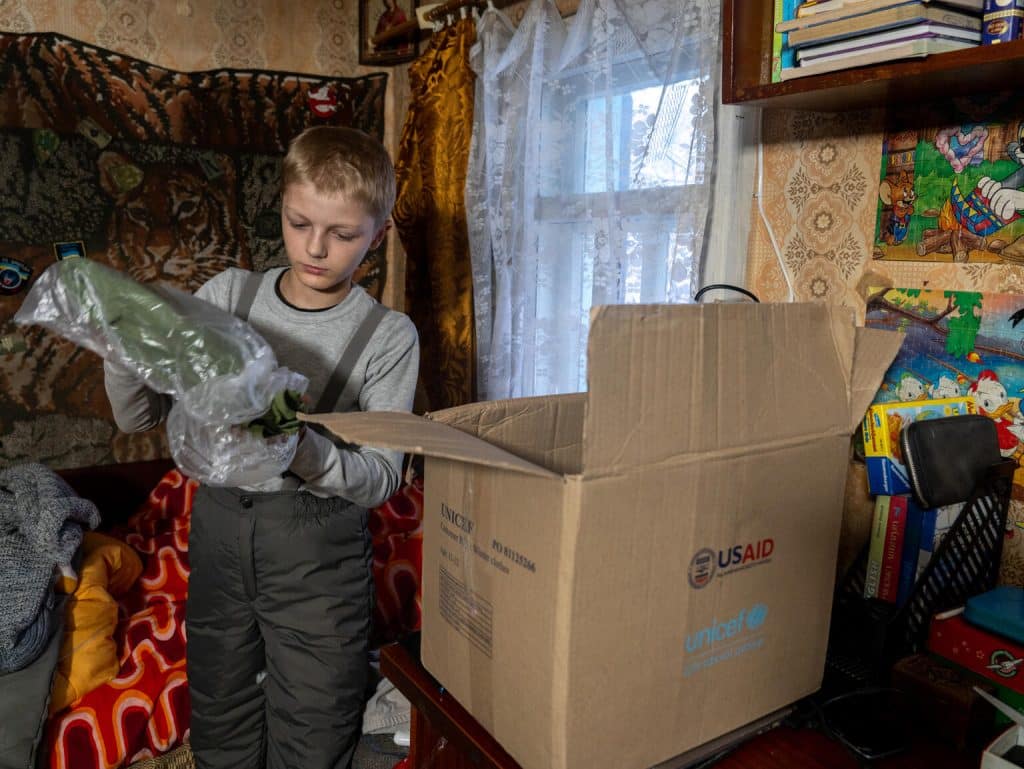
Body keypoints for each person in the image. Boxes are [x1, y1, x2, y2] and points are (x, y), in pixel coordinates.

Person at [103, 126, 419, 769]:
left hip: (316, 555)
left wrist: (293, 442)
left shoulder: (388, 336)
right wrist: (126, 353)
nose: (315, 248)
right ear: (280, 206)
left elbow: (383, 480)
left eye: (343, 235)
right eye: (299, 223)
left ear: (379, 237)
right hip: (218, 531)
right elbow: (136, 416)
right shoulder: (228, 295)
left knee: (314, 729)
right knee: (221, 716)